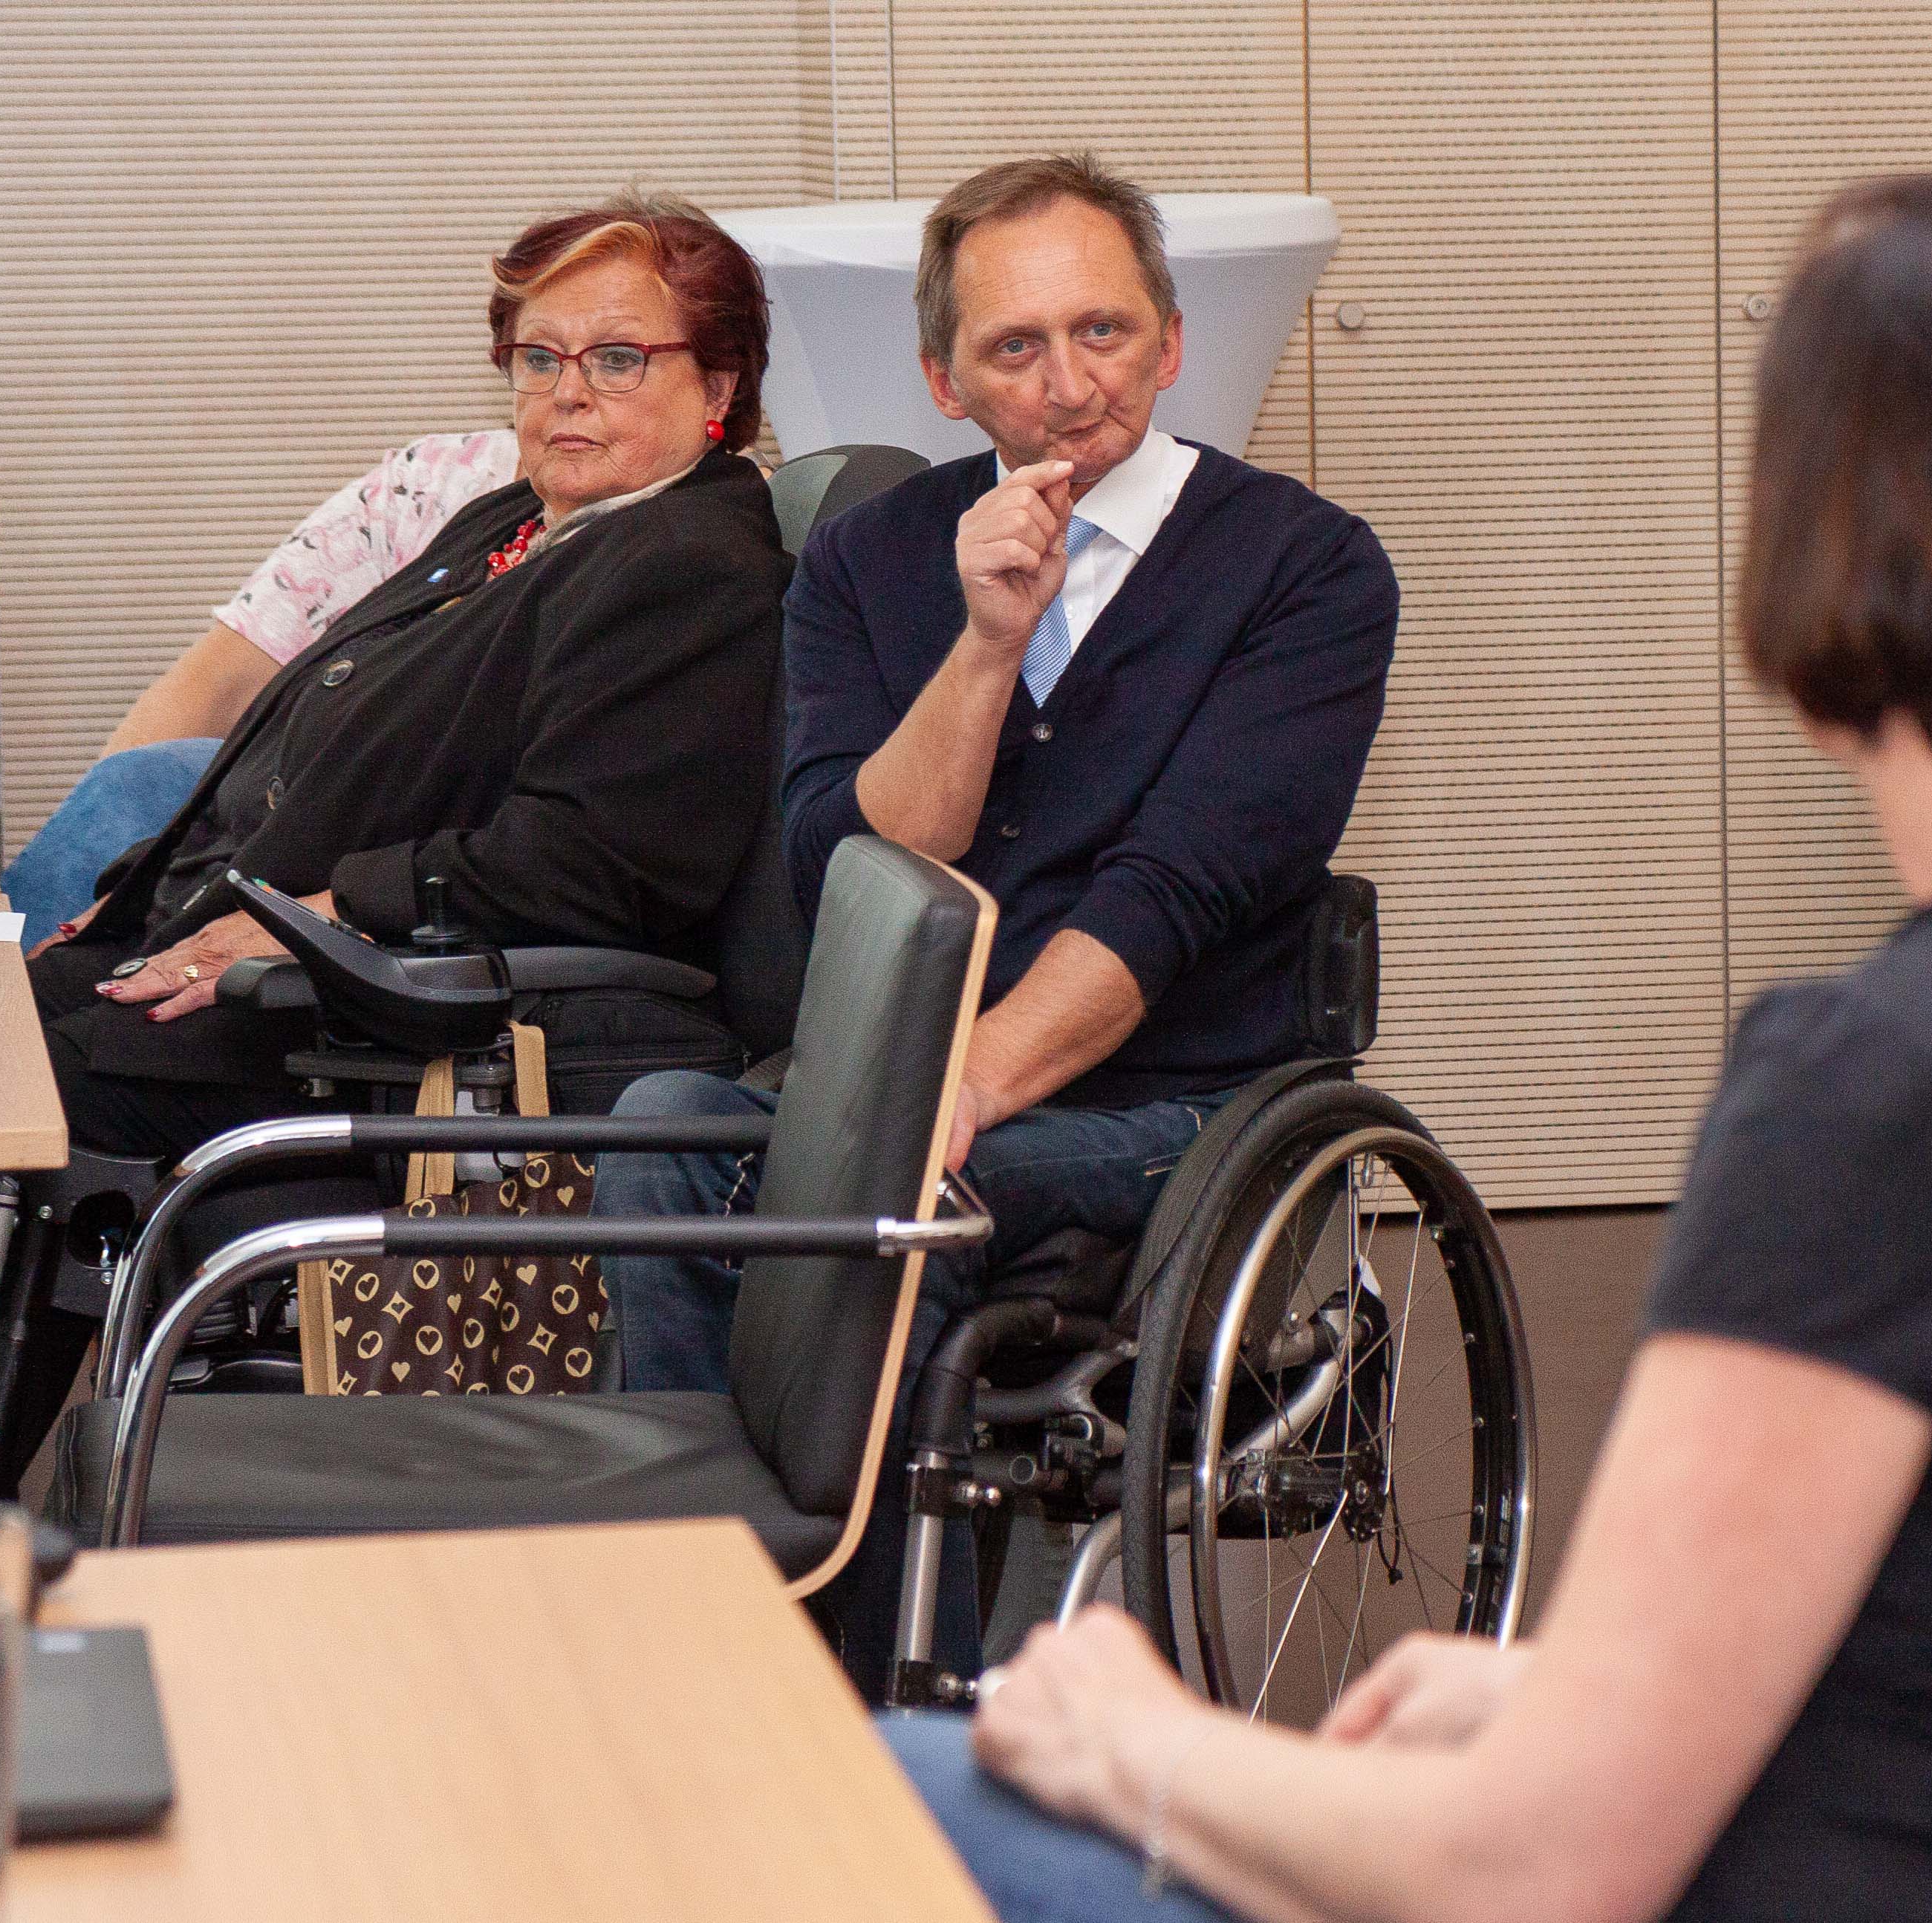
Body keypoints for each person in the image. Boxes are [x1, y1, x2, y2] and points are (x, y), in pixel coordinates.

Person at [881, 174, 1932, 1923]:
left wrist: (1136, 1730)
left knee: (888, 1774)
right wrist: (1557, 1693)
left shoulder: (1885, 1087)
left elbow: (1537, 1869)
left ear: (1805, 575)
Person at [590, 152, 1399, 1677]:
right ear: (943, 381)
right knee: (666, 1124)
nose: (1068, 383)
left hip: (1178, 1095)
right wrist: (983, 645)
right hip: (926, 1083)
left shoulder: (1304, 568)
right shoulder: (872, 557)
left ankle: (907, 1726)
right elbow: (853, 868)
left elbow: (1175, 898)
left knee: (899, 1210)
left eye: (1102, 333)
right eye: (1015, 348)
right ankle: (727, 1646)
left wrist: (959, 1088)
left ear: (1167, 342)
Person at [0, 190, 793, 1467]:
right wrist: (144, 903)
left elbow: (593, 860)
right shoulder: (514, 526)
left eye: (618, 357)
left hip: (406, 1015)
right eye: (538, 356)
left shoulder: (688, 560)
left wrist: (323, 915)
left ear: (719, 386)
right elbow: (295, 742)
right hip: (287, 962)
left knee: (2, 1104)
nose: (567, 391)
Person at [1, 429, 519, 946]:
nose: (568, 394)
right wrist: (126, 889)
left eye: (606, 358)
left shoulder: (591, 565)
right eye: (537, 357)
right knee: (142, 778)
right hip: (306, 796)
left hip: (419, 840)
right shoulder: (438, 483)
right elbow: (218, 685)